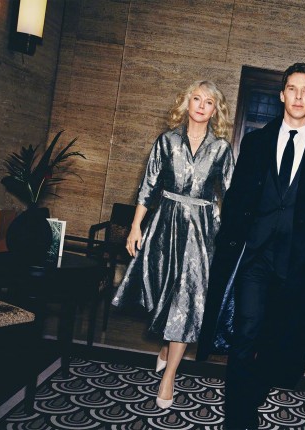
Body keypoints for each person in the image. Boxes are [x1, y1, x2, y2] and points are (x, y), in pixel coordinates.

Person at [196, 62, 305, 429]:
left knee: (277, 345)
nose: (298, 96)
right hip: (255, 259)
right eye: (292, 89)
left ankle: (250, 396)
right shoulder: (256, 142)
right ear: (282, 95)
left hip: (299, 266)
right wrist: (233, 242)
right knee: (245, 334)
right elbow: (236, 200)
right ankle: (238, 419)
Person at [111, 80, 234, 410]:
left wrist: (234, 235)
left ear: (215, 110)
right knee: (165, 292)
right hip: (164, 226)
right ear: (187, 103)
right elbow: (147, 186)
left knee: (188, 298)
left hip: (202, 232)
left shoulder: (221, 149)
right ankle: (167, 346)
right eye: (197, 99)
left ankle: (169, 377)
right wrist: (135, 227)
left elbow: (232, 195)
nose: (201, 106)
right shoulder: (166, 142)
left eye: (209, 102)